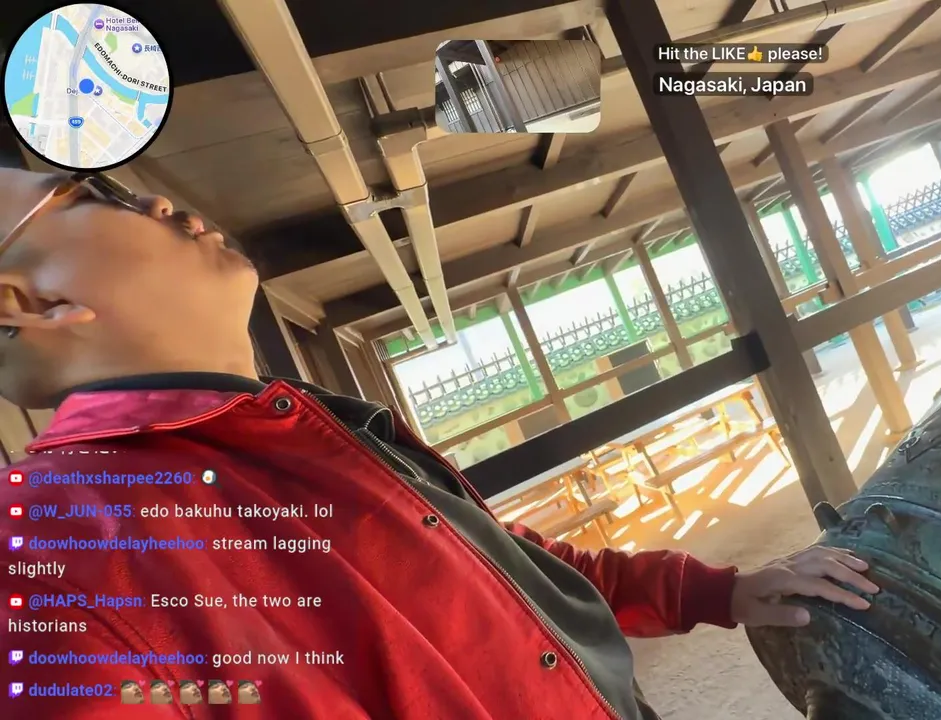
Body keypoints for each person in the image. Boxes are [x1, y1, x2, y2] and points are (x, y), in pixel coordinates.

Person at [0, 169, 878, 718]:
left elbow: (508, 569)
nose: (154, 198)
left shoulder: (302, 426)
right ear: (25, 302)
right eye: (90, 191)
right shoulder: (46, 547)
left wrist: (721, 590)